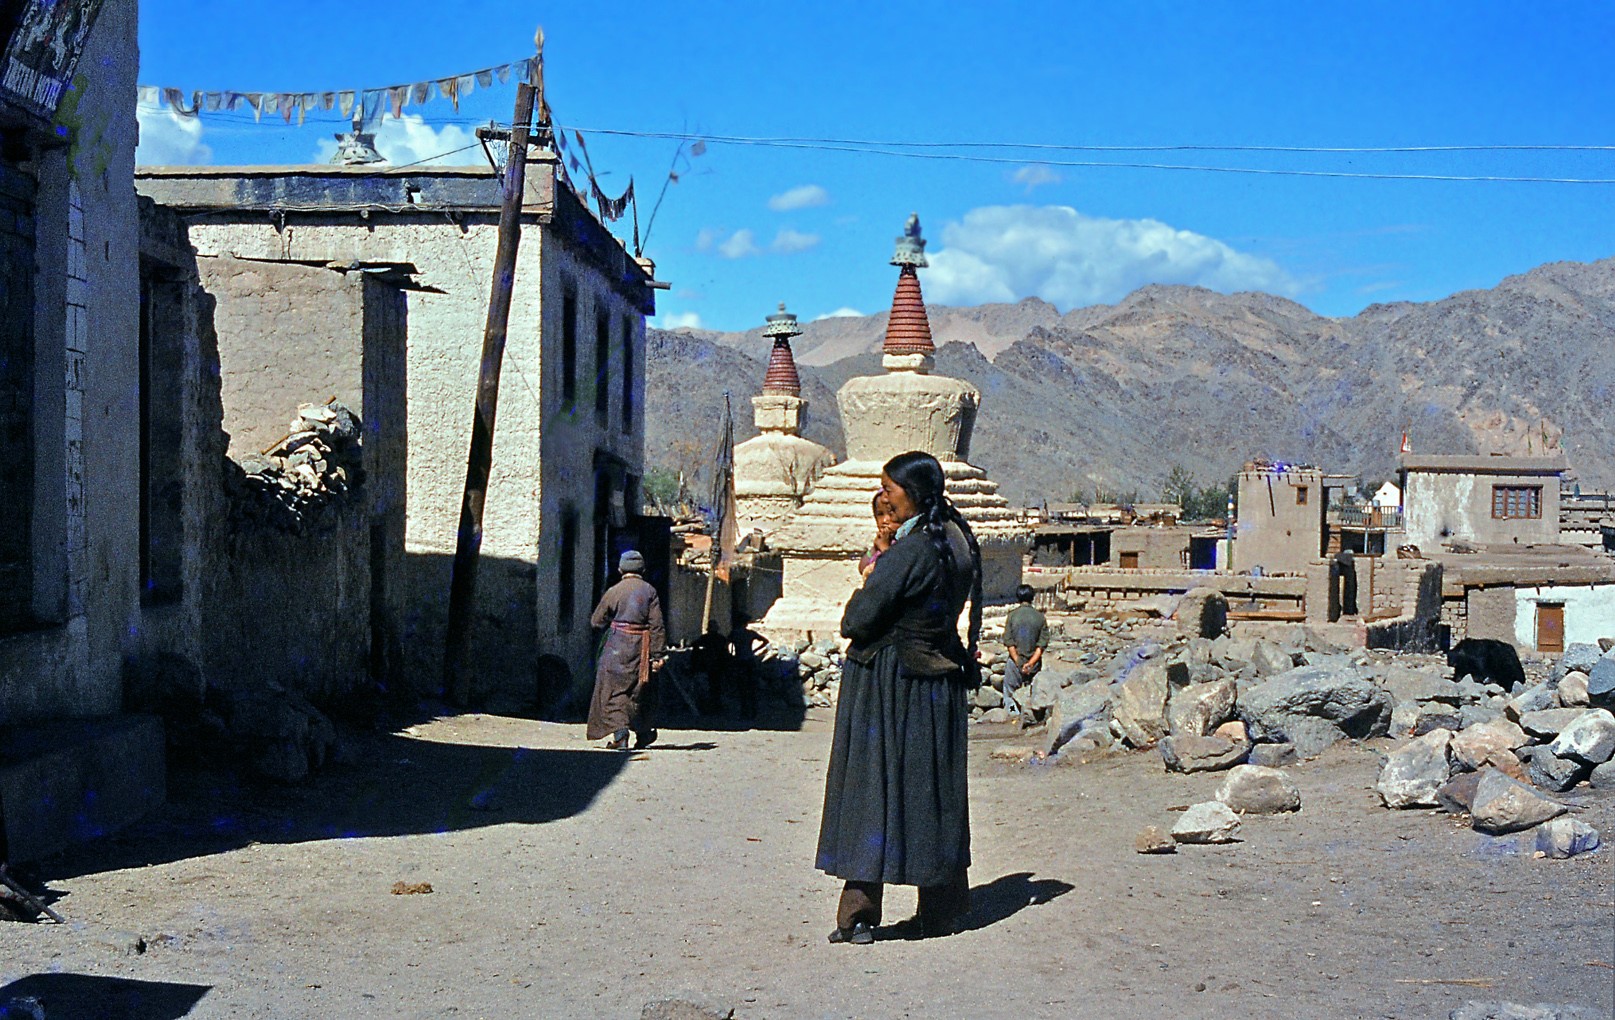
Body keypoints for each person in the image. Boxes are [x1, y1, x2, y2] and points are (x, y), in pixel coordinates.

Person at [817, 451, 983, 945]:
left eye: (889, 489)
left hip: (888, 685)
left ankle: (860, 917)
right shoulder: (955, 541)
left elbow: (857, 620)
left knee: (872, 790)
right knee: (933, 793)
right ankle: (943, 910)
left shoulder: (910, 552)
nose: (883, 497)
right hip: (937, 683)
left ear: (912, 494)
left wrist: (870, 576)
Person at [586, 550, 666, 750]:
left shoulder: (614, 591)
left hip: (616, 647)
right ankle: (644, 733)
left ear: (620, 569)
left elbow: (596, 621)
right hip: (642, 648)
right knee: (641, 689)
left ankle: (621, 735)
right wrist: (658, 655)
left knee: (612, 688)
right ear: (643, 569)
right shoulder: (649, 591)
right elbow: (657, 626)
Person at [1002, 584, 1047, 726]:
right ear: (1032, 597)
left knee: (1009, 692)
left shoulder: (1012, 616)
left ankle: (1012, 716)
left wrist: (1018, 661)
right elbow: (1041, 646)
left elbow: (1009, 642)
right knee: (1033, 692)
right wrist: (1031, 663)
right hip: (1034, 664)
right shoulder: (1040, 617)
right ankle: (1032, 717)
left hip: (1015, 663)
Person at [857, 490, 901, 577]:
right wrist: (875, 548)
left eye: (891, 513)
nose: (884, 520)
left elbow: (896, 569)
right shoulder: (882, 542)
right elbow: (862, 568)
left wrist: (884, 547)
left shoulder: (904, 543)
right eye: (880, 514)